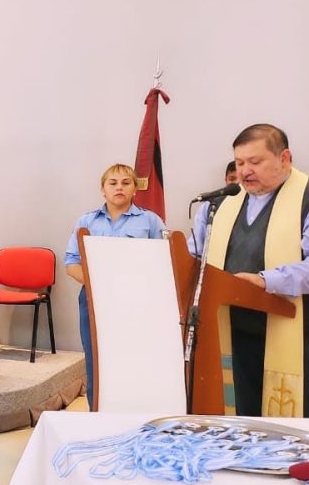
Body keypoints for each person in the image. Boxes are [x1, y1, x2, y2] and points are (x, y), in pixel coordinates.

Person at [189, 124, 309, 417]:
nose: (244, 171)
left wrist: (266, 281)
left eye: (255, 162)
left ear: (284, 158)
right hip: (232, 327)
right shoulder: (220, 203)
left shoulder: (305, 199)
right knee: (241, 411)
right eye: (240, 162)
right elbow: (194, 256)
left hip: (295, 328)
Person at [65, 163, 165, 408]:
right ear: (103, 189)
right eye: (113, 183)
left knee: (134, 357)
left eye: (126, 183)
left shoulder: (151, 221)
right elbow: (71, 263)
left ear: (135, 189)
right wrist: (100, 283)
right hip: (94, 299)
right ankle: (97, 412)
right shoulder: (87, 221)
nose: (119, 187)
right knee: (96, 358)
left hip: (136, 300)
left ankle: (133, 411)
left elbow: (164, 261)